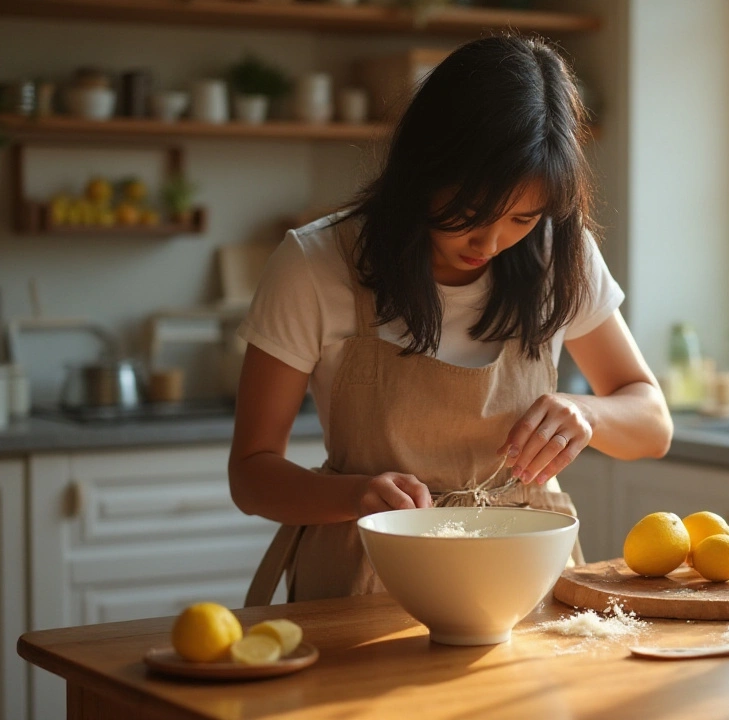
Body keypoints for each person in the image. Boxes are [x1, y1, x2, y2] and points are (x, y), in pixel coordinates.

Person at [231, 35, 672, 604]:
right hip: (366, 582)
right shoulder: (315, 265)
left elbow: (653, 424)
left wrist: (587, 413)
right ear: (424, 168)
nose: (489, 242)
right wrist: (354, 495)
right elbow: (251, 473)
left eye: (521, 217)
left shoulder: (559, 254)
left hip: (526, 583)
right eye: (470, 212)